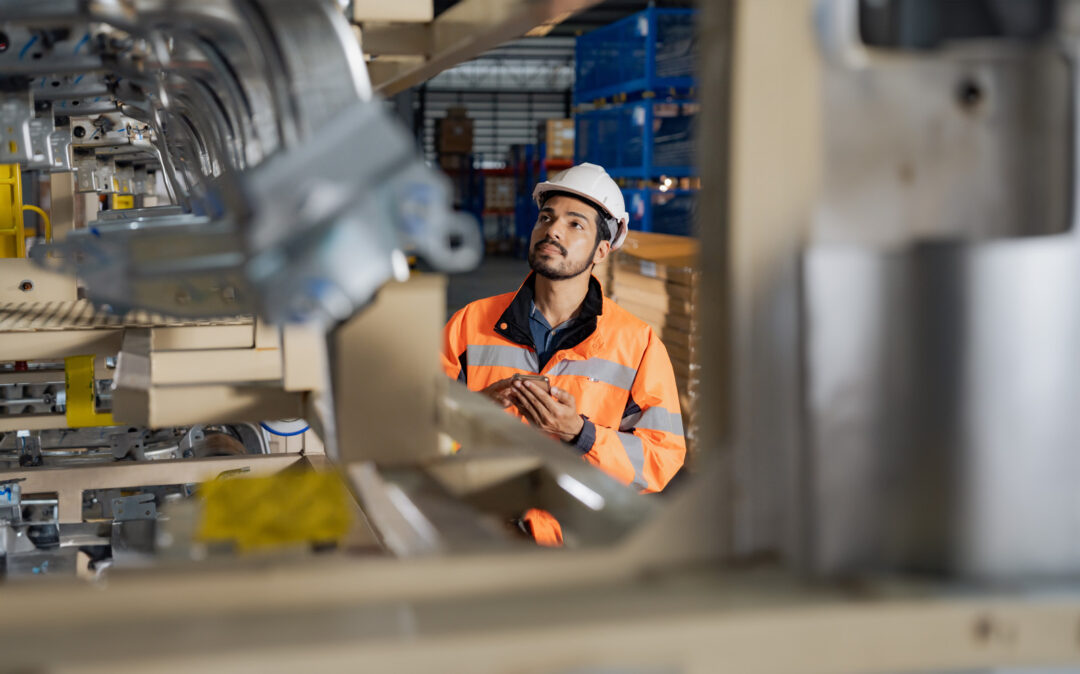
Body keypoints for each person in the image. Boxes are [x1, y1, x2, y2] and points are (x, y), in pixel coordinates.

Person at [441, 163, 686, 494]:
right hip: (484, 528)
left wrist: (580, 434)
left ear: (602, 250)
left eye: (575, 224)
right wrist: (473, 415)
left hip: (575, 536)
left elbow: (660, 460)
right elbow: (417, 429)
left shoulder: (638, 345)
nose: (553, 230)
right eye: (546, 218)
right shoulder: (470, 324)